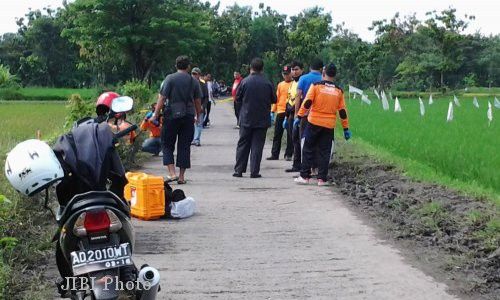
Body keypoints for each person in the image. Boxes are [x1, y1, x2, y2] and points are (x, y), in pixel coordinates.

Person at [294, 63, 351, 186]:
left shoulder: (316, 86)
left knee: (308, 148)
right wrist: (346, 128)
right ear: (335, 75)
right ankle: (322, 179)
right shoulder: (339, 91)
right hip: (329, 125)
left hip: (314, 122)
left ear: (323, 73)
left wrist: (299, 116)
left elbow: (307, 102)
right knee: (325, 151)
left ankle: (304, 176)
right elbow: (342, 111)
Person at [151, 55, 202, 185]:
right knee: (184, 146)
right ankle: (181, 177)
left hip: (171, 116)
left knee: (167, 144)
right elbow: (197, 101)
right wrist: (198, 116)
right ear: (188, 66)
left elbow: (162, 98)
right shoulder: (194, 81)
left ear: (176, 66)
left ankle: (172, 173)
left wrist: (155, 114)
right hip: (188, 116)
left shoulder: (170, 78)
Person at [233, 58, 276, 178]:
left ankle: (239, 170)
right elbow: (274, 99)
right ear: (262, 69)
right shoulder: (268, 83)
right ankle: (254, 171)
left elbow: (237, 98)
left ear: (250, 68)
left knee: (243, 144)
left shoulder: (244, 82)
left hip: (246, 118)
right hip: (262, 119)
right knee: (257, 145)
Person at [293, 58, 324, 175]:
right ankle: (316, 168)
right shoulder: (323, 79)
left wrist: (297, 114)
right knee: (319, 142)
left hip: (305, 115)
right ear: (321, 69)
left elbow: (298, 97)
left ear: (310, 67)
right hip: (319, 116)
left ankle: (305, 167)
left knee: (304, 141)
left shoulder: (303, 78)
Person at [267, 65, 293, 161]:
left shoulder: (294, 84)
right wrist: (272, 111)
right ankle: (274, 154)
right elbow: (276, 99)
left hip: (289, 112)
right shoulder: (280, 85)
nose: (286, 76)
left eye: (287, 74)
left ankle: (288, 154)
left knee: (290, 135)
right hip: (280, 111)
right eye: (284, 74)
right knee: (277, 134)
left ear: (291, 73)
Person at [284, 61, 304, 172]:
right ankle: (296, 165)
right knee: (293, 139)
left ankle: (300, 165)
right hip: (291, 114)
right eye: (292, 70)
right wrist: (287, 117)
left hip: (299, 115)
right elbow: (289, 99)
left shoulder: (302, 81)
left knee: (299, 140)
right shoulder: (292, 83)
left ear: (301, 70)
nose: (294, 72)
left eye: (296, 69)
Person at [191, 67, 209, 146]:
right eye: (193, 74)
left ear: (199, 75)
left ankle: (197, 139)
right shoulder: (188, 83)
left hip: (200, 108)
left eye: (195, 74)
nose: (194, 75)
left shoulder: (203, 84)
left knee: (199, 124)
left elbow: (206, 97)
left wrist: (203, 106)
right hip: (190, 108)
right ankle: (191, 139)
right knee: (190, 124)